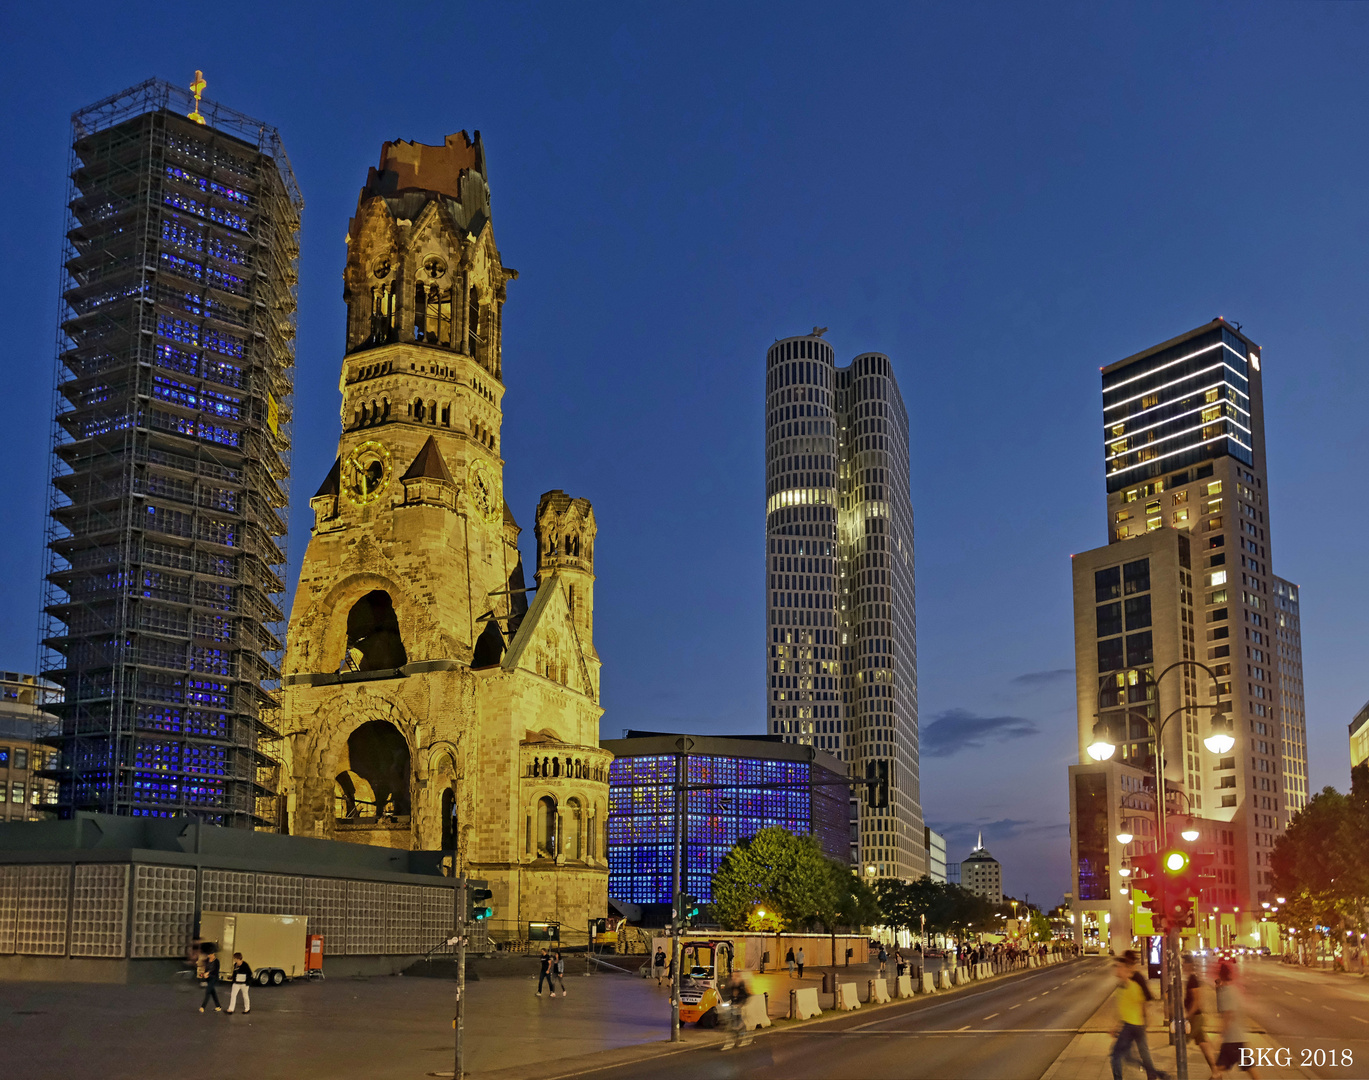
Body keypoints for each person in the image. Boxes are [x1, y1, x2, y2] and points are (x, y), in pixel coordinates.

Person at [1109, 951, 1167, 1080]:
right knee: (1130, 1056)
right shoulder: (1123, 985)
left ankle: (1154, 1074)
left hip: (1133, 1024)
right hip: (1133, 1023)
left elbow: (1144, 1000)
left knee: (1123, 1055)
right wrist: (1117, 1026)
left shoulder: (1135, 980)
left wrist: (1146, 1018)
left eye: (1124, 963)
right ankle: (1157, 1074)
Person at [1215, 962, 1259, 1077]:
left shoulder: (1226, 992)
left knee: (1219, 1069)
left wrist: (1221, 1033)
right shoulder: (1234, 990)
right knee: (1247, 1067)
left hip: (1232, 1040)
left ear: (1220, 975)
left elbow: (1228, 1015)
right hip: (1237, 1037)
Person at [1185, 971, 1218, 1076]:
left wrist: (1188, 1016)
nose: (1183, 965)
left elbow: (1196, 1001)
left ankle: (1180, 1071)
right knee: (1203, 1044)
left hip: (1195, 1017)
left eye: (1184, 963)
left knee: (1181, 1041)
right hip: (1196, 1016)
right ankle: (1216, 1072)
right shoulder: (1191, 978)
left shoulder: (1192, 980)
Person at [719, 972, 753, 1051]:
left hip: (740, 1004)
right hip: (733, 1004)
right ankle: (732, 1036)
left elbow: (745, 995)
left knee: (738, 1021)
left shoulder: (741, 986)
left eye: (735, 976)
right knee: (730, 1021)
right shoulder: (731, 985)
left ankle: (743, 1033)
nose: (733, 978)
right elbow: (727, 995)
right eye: (732, 976)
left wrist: (740, 1004)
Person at [198, 948, 223, 1014]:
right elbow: (206, 969)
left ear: (213, 954)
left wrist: (208, 973)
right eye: (208, 954)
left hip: (214, 978)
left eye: (210, 954)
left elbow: (216, 971)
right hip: (208, 978)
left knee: (208, 991)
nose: (209, 956)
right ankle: (218, 1006)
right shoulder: (207, 961)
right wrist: (204, 974)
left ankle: (203, 1007)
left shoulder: (216, 961)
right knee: (213, 992)